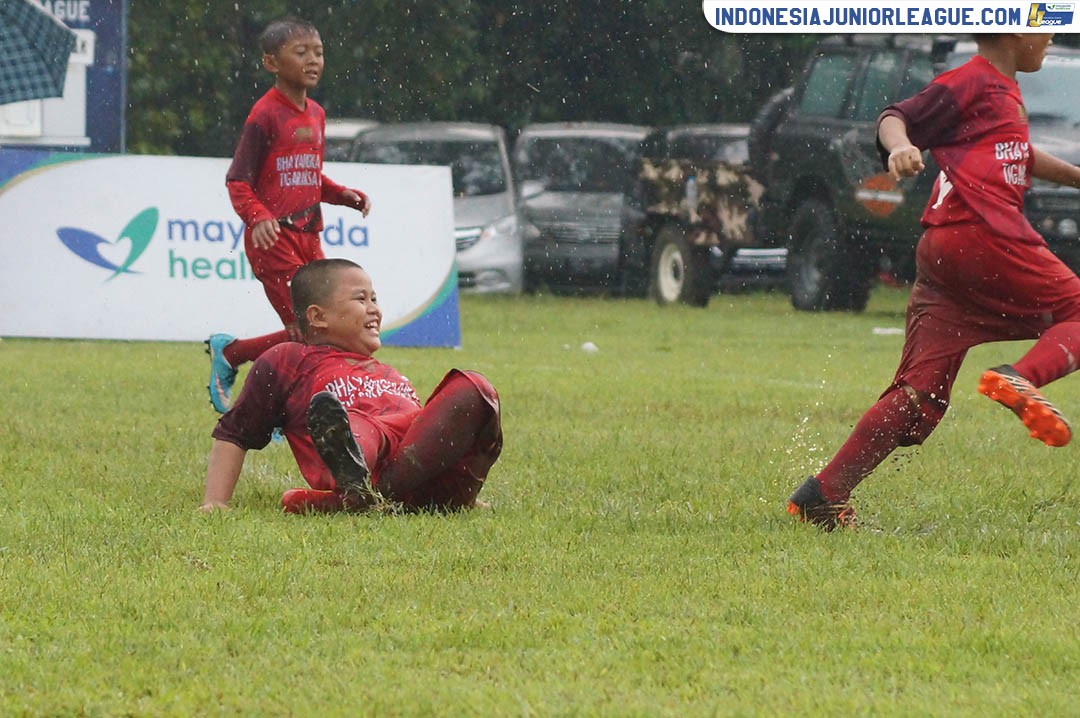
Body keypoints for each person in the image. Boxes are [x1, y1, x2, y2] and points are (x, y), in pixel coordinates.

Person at [786, 33, 1080, 530]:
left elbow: (1017, 154)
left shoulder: (1003, 88)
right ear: (1012, 31)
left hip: (945, 252)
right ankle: (1019, 378)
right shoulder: (974, 79)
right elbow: (894, 117)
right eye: (1042, 22)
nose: (1050, 35)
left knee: (917, 396)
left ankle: (822, 495)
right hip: (984, 236)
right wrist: (899, 147)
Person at [200, 258, 502, 513]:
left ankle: (364, 498)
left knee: (473, 386)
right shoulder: (289, 359)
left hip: (423, 481)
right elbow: (234, 432)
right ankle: (357, 479)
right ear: (318, 317)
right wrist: (215, 503)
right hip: (368, 451)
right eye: (361, 299)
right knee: (353, 421)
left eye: (375, 299)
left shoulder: (389, 372)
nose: (374, 309)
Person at [206, 16, 371, 414]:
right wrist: (259, 217)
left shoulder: (315, 113)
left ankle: (232, 353)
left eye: (318, 52)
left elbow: (308, 174)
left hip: (309, 233)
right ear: (271, 63)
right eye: (301, 53)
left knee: (323, 325)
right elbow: (238, 180)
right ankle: (281, 410)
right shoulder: (264, 115)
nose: (313, 60)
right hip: (274, 239)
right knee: (308, 330)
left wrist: (339, 194)